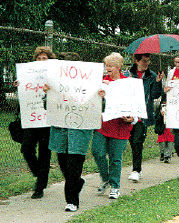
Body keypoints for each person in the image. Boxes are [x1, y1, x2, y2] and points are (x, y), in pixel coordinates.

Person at [43, 52, 103, 212]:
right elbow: (46, 107)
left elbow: (95, 107)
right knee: (64, 165)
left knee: (74, 165)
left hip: (79, 132)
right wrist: (47, 94)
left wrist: (100, 96)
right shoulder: (54, 84)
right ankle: (77, 182)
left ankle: (72, 201)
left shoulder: (88, 83)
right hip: (60, 131)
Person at [91, 52, 137, 199]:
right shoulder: (101, 83)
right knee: (97, 152)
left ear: (119, 66)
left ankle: (115, 186)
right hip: (103, 125)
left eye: (111, 65)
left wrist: (132, 118)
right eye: (106, 65)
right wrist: (98, 96)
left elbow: (136, 105)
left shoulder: (128, 82)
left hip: (120, 127)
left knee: (115, 158)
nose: (108, 68)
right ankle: (106, 178)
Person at [15, 46, 56, 199]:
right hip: (32, 117)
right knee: (26, 148)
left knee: (45, 153)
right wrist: (18, 86)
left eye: (44, 58)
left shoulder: (55, 75)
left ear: (50, 60)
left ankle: (40, 187)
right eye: (38, 58)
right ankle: (39, 172)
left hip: (47, 120)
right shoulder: (28, 74)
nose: (41, 61)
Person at [124, 53, 163, 183]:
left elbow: (155, 95)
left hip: (142, 115)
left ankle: (136, 170)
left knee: (137, 142)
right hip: (128, 114)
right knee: (130, 141)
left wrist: (158, 82)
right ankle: (134, 167)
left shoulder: (151, 76)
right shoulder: (127, 74)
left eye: (148, 61)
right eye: (144, 61)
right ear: (136, 60)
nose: (146, 64)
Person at [154, 95, 174, 163]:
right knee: (161, 140)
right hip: (162, 126)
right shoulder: (159, 105)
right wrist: (160, 114)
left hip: (170, 125)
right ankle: (162, 153)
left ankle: (167, 156)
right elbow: (156, 116)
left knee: (170, 140)